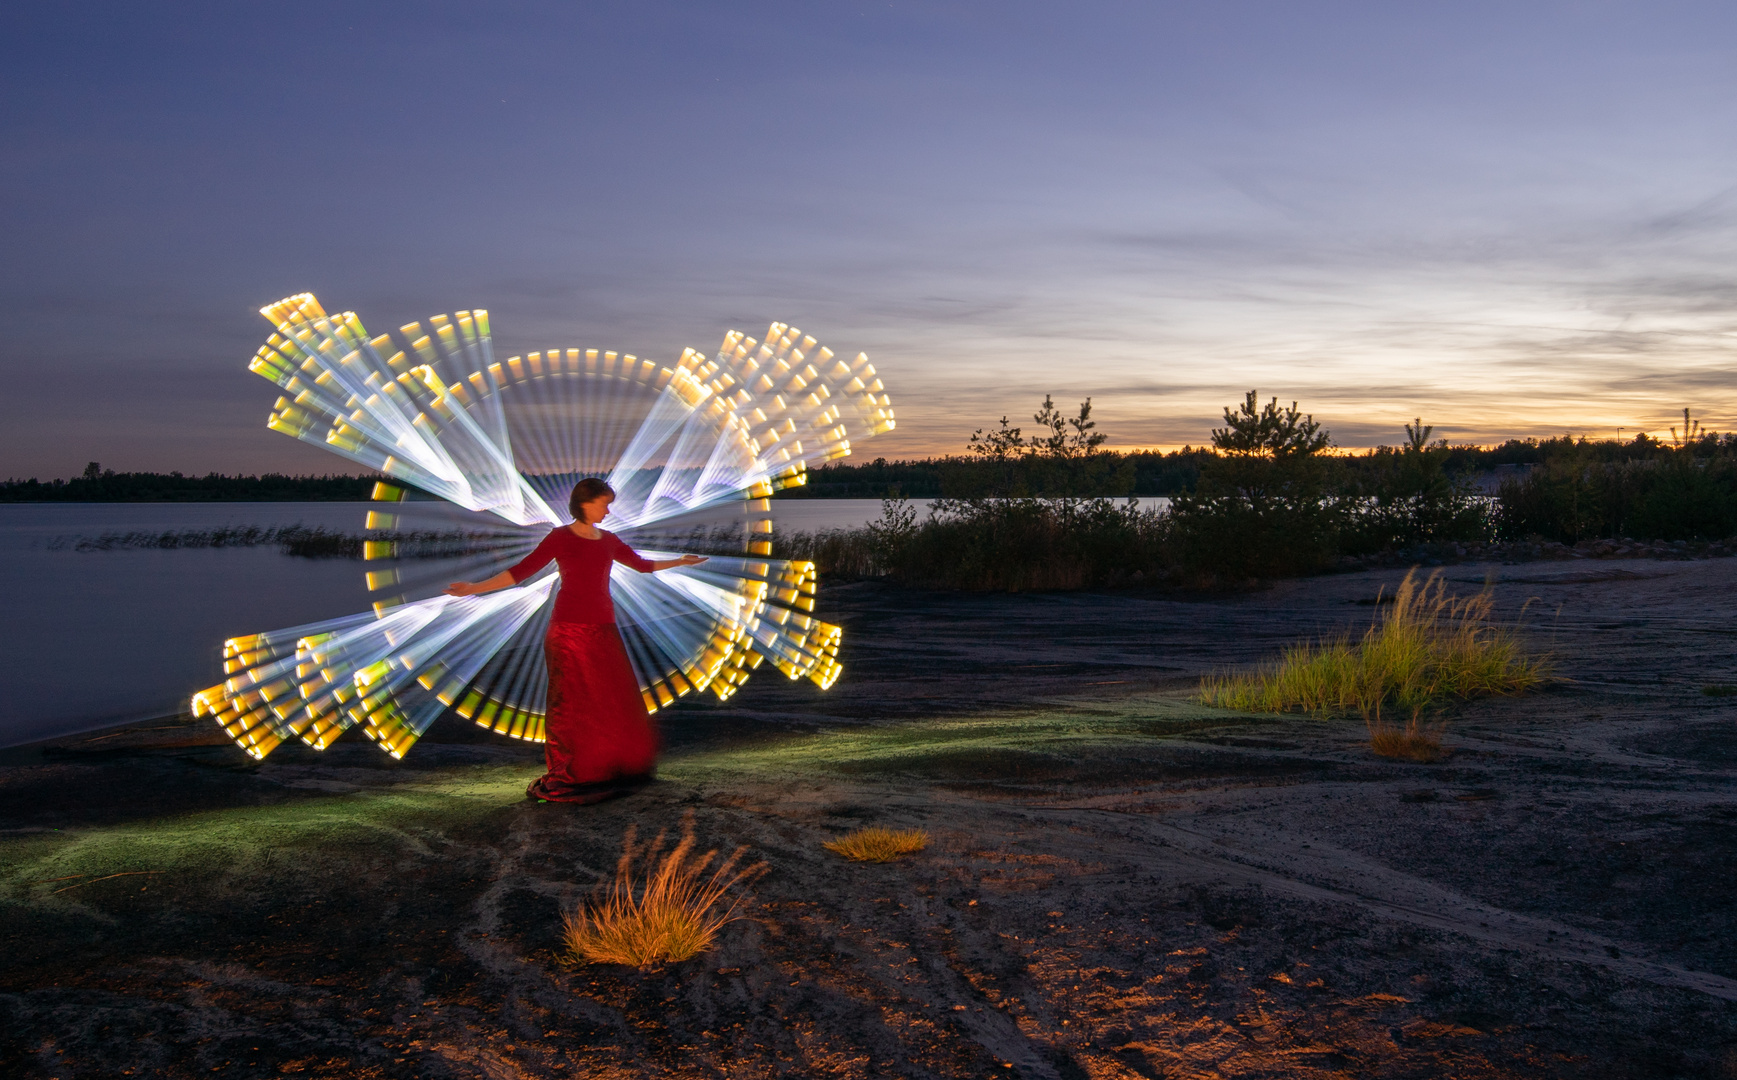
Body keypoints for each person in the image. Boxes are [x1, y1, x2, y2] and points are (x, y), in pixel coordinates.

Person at [445, 477, 705, 804]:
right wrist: (473, 587)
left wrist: (679, 561)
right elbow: (521, 571)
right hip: (568, 631)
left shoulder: (609, 540)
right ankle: (572, 771)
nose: (608, 510)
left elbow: (642, 566)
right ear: (586, 503)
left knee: (609, 701)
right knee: (570, 705)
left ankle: (607, 765)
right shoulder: (560, 538)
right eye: (604, 503)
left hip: (603, 630)